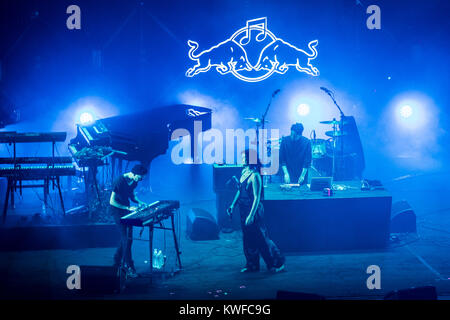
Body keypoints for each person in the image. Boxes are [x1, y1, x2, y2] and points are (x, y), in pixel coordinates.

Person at [228, 149, 285, 273]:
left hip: (253, 211)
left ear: (250, 159)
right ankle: (252, 265)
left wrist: (251, 215)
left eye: (244, 157)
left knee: (262, 239)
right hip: (243, 210)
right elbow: (240, 190)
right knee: (248, 239)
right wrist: (233, 205)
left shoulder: (255, 176)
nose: (242, 159)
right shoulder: (244, 172)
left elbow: (257, 197)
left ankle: (276, 263)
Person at [109, 164, 148, 277]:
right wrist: (127, 208)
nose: (141, 180)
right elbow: (112, 201)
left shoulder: (134, 181)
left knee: (127, 238)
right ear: (134, 174)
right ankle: (129, 266)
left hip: (126, 209)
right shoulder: (119, 181)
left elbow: (132, 195)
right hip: (117, 211)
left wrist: (139, 202)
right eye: (140, 177)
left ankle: (116, 260)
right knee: (127, 239)